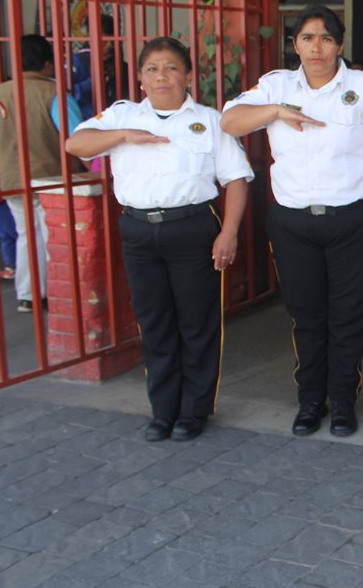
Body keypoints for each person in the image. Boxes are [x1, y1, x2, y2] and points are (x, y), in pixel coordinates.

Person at [222, 5, 363, 438]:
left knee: (349, 316)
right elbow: (230, 121)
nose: (316, 47)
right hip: (293, 223)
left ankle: (342, 401)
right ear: (295, 45)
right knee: (306, 316)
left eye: (325, 38)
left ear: (339, 45)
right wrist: (275, 112)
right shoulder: (276, 85)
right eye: (307, 38)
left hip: (356, 219)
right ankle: (309, 401)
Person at [64, 37, 252, 441]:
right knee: (154, 323)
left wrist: (229, 232)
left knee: (196, 323)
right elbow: (76, 144)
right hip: (138, 231)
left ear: (187, 75)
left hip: (192, 228)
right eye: (151, 68)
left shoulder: (209, 119)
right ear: (140, 77)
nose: (161, 76)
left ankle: (194, 411)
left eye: (170, 67)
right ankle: (163, 411)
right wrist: (124, 136)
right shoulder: (121, 115)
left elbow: (236, 179)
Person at [0, 34, 84, 313]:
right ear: (48, 65)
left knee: (25, 233)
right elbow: (77, 139)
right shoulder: (54, 94)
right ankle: (55, 292)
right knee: (50, 235)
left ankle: (28, 293)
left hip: (12, 179)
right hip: (51, 178)